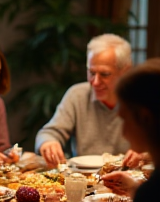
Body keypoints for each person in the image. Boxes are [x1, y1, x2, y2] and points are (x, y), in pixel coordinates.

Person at [59, 58, 160, 202]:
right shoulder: (150, 189)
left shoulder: (152, 195)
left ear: (144, 118)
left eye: (123, 118)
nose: (123, 132)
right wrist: (136, 189)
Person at [35, 33, 132, 167]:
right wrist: (48, 143)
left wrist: (145, 154)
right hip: (84, 179)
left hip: (129, 179)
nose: (95, 82)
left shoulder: (141, 99)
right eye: (91, 73)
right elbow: (49, 132)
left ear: (125, 71)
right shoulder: (77, 95)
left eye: (104, 74)